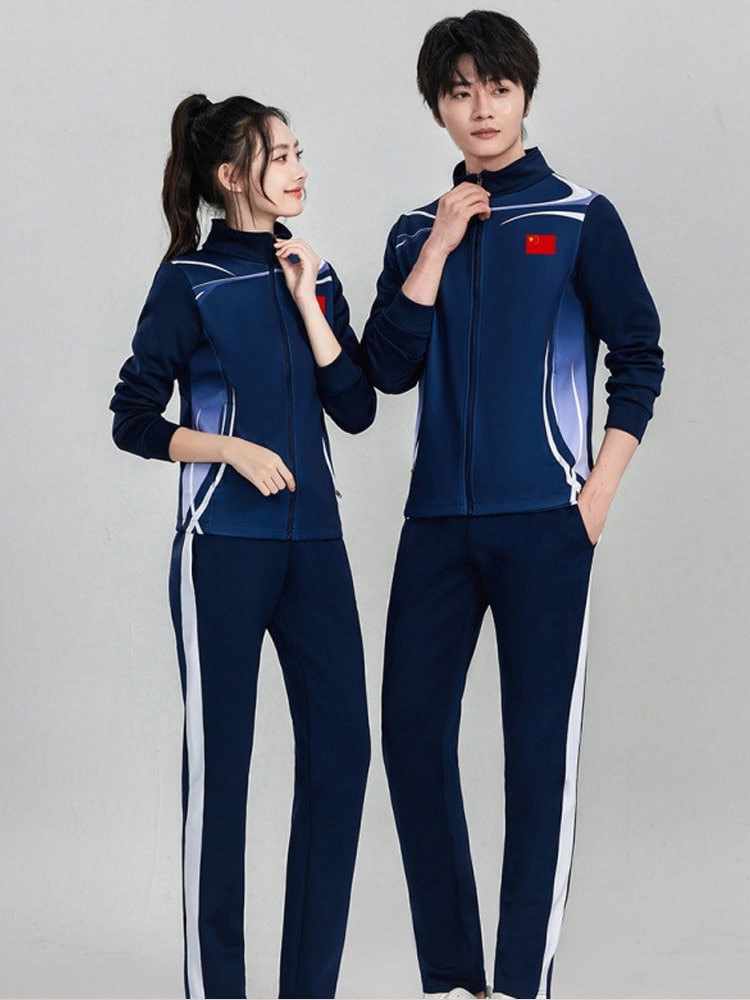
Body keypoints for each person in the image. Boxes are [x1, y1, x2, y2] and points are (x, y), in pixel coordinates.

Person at [363, 11, 663, 1000]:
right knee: (410, 732)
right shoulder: (416, 229)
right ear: (438, 110)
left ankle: (521, 982)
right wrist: (440, 245)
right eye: (459, 91)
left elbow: (640, 354)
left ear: (524, 93)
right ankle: (455, 978)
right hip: (435, 526)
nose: (481, 107)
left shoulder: (579, 215)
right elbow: (386, 370)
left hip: (545, 524)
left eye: (496, 87)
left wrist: (597, 492)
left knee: (536, 757)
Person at [110, 94, 374, 1000]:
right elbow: (132, 418)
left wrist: (310, 301)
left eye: (300, 152)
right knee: (221, 777)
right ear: (232, 177)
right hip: (221, 548)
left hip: (317, 547)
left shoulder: (315, 273)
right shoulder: (188, 282)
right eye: (281, 155)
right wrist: (230, 449)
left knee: (342, 755)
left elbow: (356, 408)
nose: (300, 169)